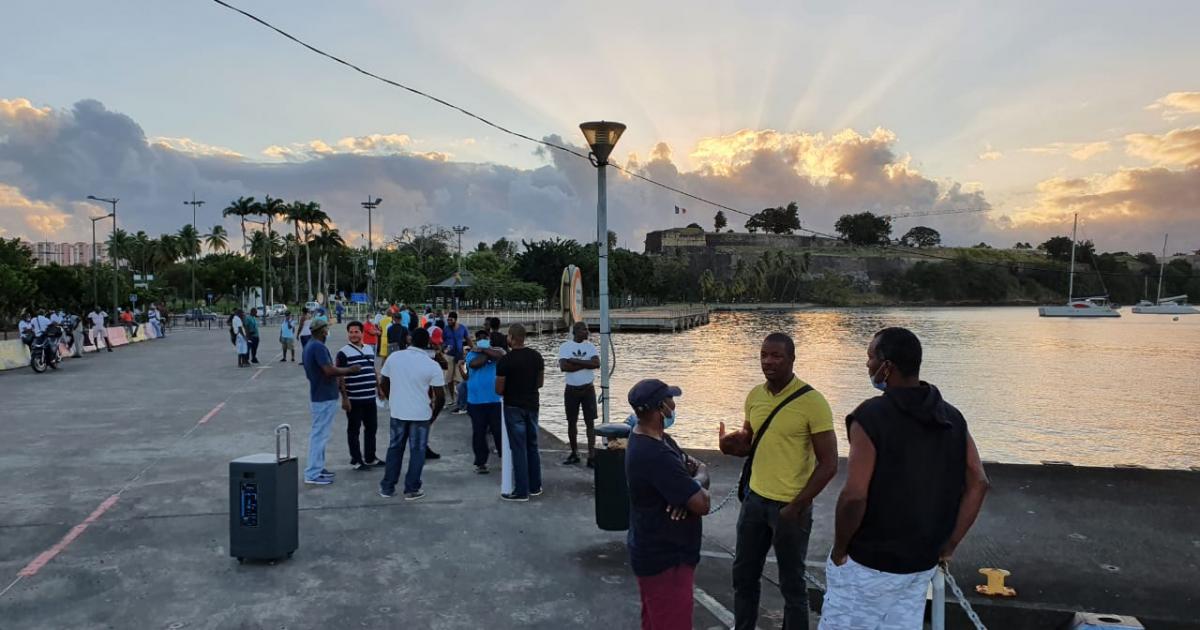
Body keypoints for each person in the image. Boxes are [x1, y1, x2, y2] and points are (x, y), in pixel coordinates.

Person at [819, 328, 990, 630]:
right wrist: (948, 545)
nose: (867, 365)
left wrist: (840, 548)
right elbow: (978, 482)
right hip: (919, 564)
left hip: (867, 564)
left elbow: (855, 495)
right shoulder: (952, 417)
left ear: (888, 366)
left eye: (871, 357)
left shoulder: (870, 417)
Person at [718, 332, 838, 630]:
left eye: (776, 356)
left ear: (792, 359)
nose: (768, 362)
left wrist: (797, 506)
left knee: (792, 585)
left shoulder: (813, 402)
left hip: (790, 508)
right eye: (763, 355)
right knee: (744, 576)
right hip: (754, 501)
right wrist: (728, 445)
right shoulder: (755, 396)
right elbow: (751, 441)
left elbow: (829, 463)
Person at [626, 379, 710, 630]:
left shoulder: (661, 440)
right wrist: (695, 484)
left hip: (655, 551)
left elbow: (697, 469)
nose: (675, 404)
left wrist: (694, 480)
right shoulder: (656, 455)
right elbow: (702, 503)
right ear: (661, 408)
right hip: (666, 559)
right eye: (670, 399)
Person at [378, 327, 445, 499]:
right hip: (421, 414)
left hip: (398, 411)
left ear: (410, 339)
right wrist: (433, 415)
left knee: (394, 448)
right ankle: (412, 489)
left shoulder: (394, 357)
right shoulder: (432, 365)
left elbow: (383, 382)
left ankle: (387, 487)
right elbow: (440, 397)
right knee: (417, 451)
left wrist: (392, 397)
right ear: (428, 343)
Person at [301, 318, 360, 485]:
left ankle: (318, 468)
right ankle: (312, 473)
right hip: (323, 396)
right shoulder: (318, 347)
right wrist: (350, 370)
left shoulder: (310, 346)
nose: (328, 331)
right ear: (322, 330)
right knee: (319, 436)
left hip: (321, 394)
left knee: (320, 435)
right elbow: (328, 370)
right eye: (326, 328)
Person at [495, 323, 545, 502]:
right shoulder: (536, 357)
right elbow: (540, 382)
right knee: (532, 446)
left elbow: (499, 389)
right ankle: (535, 485)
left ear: (511, 338)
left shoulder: (505, 361)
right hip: (532, 405)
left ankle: (521, 490)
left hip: (513, 407)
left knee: (518, 448)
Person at [337, 321, 384, 470]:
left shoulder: (369, 349)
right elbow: (340, 376)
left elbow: (372, 369)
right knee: (354, 429)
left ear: (362, 333)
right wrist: (344, 398)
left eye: (356, 332)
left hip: (370, 397)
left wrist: (379, 388)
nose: (353, 335)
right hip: (354, 399)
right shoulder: (343, 352)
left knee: (372, 428)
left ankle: (370, 457)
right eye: (350, 332)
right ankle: (356, 460)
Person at [558, 321, 600, 467]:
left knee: (590, 422)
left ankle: (591, 455)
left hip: (588, 389)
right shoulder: (565, 346)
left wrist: (575, 361)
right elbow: (564, 367)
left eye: (587, 329)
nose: (587, 332)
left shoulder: (590, 346)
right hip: (571, 389)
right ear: (575, 331)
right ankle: (574, 452)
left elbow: (596, 364)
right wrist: (585, 363)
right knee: (571, 422)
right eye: (584, 329)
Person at [466, 329, 505, 473]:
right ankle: (481, 462)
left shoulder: (498, 351)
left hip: (495, 400)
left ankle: (505, 458)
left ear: (489, 339)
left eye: (484, 337)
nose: (482, 339)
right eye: (479, 338)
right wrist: (485, 352)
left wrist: (486, 350)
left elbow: (501, 356)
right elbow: (476, 364)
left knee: (499, 432)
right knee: (479, 432)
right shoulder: (471, 354)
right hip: (476, 401)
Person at [442, 311, 471, 413]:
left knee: (461, 378)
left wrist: (472, 349)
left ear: (455, 319)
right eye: (448, 319)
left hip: (460, 356)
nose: (449, 321)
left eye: (451, 320)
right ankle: (452, 399)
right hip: (449, 356)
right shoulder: (445, 329)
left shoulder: (462, 328)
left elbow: (468, 339)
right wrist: (444, 348)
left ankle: (461, 400)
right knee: (448, 379)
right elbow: (443, 341)